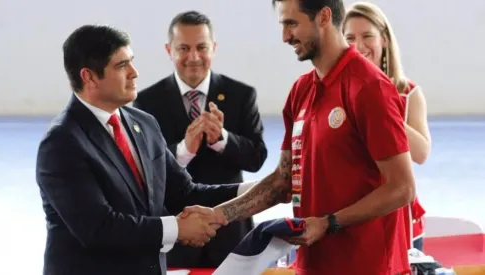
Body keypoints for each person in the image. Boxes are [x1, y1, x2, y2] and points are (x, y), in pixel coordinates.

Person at [182, 0, 417, 274]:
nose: (285, 37)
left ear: (324, 17)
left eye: (291, 23)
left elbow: (402, 188)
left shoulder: (369, 87)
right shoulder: (301, 91)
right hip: (313, 265)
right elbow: (283, 183)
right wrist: (217, 216)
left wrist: (329, 222)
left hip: (369, 266)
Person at [35, 24, 256, 275]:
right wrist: (178, 229)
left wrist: (260, 189)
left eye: (132, 62)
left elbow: (184, 192)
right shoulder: (62, 143)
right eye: (121, 66)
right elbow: (99, 228)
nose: (134, 72)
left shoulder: (144, 123)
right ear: (89, 77)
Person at [133, 11, 268, 268]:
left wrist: (223, 139)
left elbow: (257, 159)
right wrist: (183, 150)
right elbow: (144, 171)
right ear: (168, 50)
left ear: (213, 48)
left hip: (231, 231)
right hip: (176, 235)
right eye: (183, 48)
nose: (193, 57)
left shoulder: (241, 95)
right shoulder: (146, 102)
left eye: (201, 47)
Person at [342, 1, 432, 251]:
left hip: (399, 221)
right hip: (348, 217)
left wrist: (381, 105)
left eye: (367, 36)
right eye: (349, 37)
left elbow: (422, 153)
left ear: (384, 40)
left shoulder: (408, 93)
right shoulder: (334, 92)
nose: (358, 45)